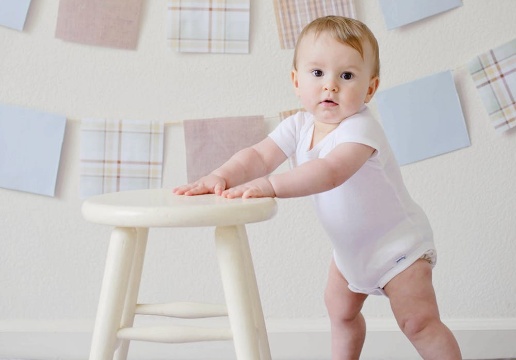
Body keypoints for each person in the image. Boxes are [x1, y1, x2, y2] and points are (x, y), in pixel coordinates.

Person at [173, 15, 462, 360]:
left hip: (398, 248)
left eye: (347, 75)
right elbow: (258, 156)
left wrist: (270, 186)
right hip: (350, 253)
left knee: (418, 322)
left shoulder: (360, 130)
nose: (330, 86)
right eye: (317, 73)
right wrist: (222, 175)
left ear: (370, 88)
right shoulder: (297, 125)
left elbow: (329, 172)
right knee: (340, 313)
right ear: (296, 81)